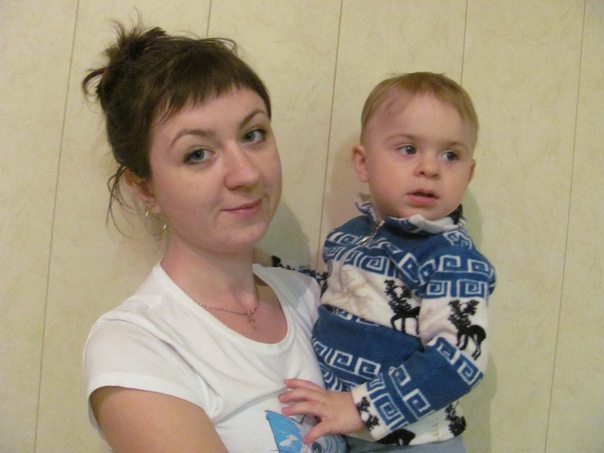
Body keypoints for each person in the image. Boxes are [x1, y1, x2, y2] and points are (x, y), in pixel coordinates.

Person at [81, 22, 345, 453]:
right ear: (145, 188)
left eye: (253, 135)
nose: (247, 174)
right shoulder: (138, 345)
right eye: (197, 154)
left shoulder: (314, 299)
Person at [272, 73, 496, 452]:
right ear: (363, 163)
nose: (430, 168)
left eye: (451, 155)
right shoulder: (350, 237)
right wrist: (268, 265)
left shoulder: (452, 258)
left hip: (417, 442)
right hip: (345, 430)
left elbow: (460, 359)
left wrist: (361, 408)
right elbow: (331, 291)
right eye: (408, 149)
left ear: (469, 173)